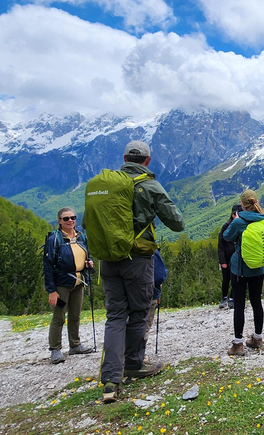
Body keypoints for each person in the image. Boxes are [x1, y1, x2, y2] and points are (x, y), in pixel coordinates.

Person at [100, 141, 184, 403]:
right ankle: (134, 365)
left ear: (124, 158)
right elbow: (177, 222)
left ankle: (111, 380)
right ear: (147, 161)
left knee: (114, 316)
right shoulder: (148, 185)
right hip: (137, 258)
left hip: (108, 258)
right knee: (138, 312)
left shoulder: (106, 185)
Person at [43, 208, 95, 364]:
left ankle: (75, 345)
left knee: (75, 316)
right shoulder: (54, 239)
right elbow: (48, 266)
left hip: (78, 283)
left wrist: (89, 265)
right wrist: (51, 291)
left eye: (73, 217)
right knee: (59, 316)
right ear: (59, 221)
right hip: (61, 286)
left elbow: (86, 256)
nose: (70, 220)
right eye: (66, 219)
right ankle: (55, 350)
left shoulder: (81, 237)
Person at [223, 190, 264, 356]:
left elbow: (227, 236)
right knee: (257, 302)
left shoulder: (239, 221)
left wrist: (235, 222)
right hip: (259, 267)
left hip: (240, 269)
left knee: (239, 305)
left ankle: (238, 344)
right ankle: (257, 339)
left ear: (243, 204)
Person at [217, 205, 241, 309]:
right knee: (226, 279)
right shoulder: (226, 226)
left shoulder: (240, 225)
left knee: (236, 278)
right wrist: (222, 261)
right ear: (233, 214)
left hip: (236, 257)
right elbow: (220, 245)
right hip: (226, 257)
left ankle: (232, 298)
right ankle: (224, 297)